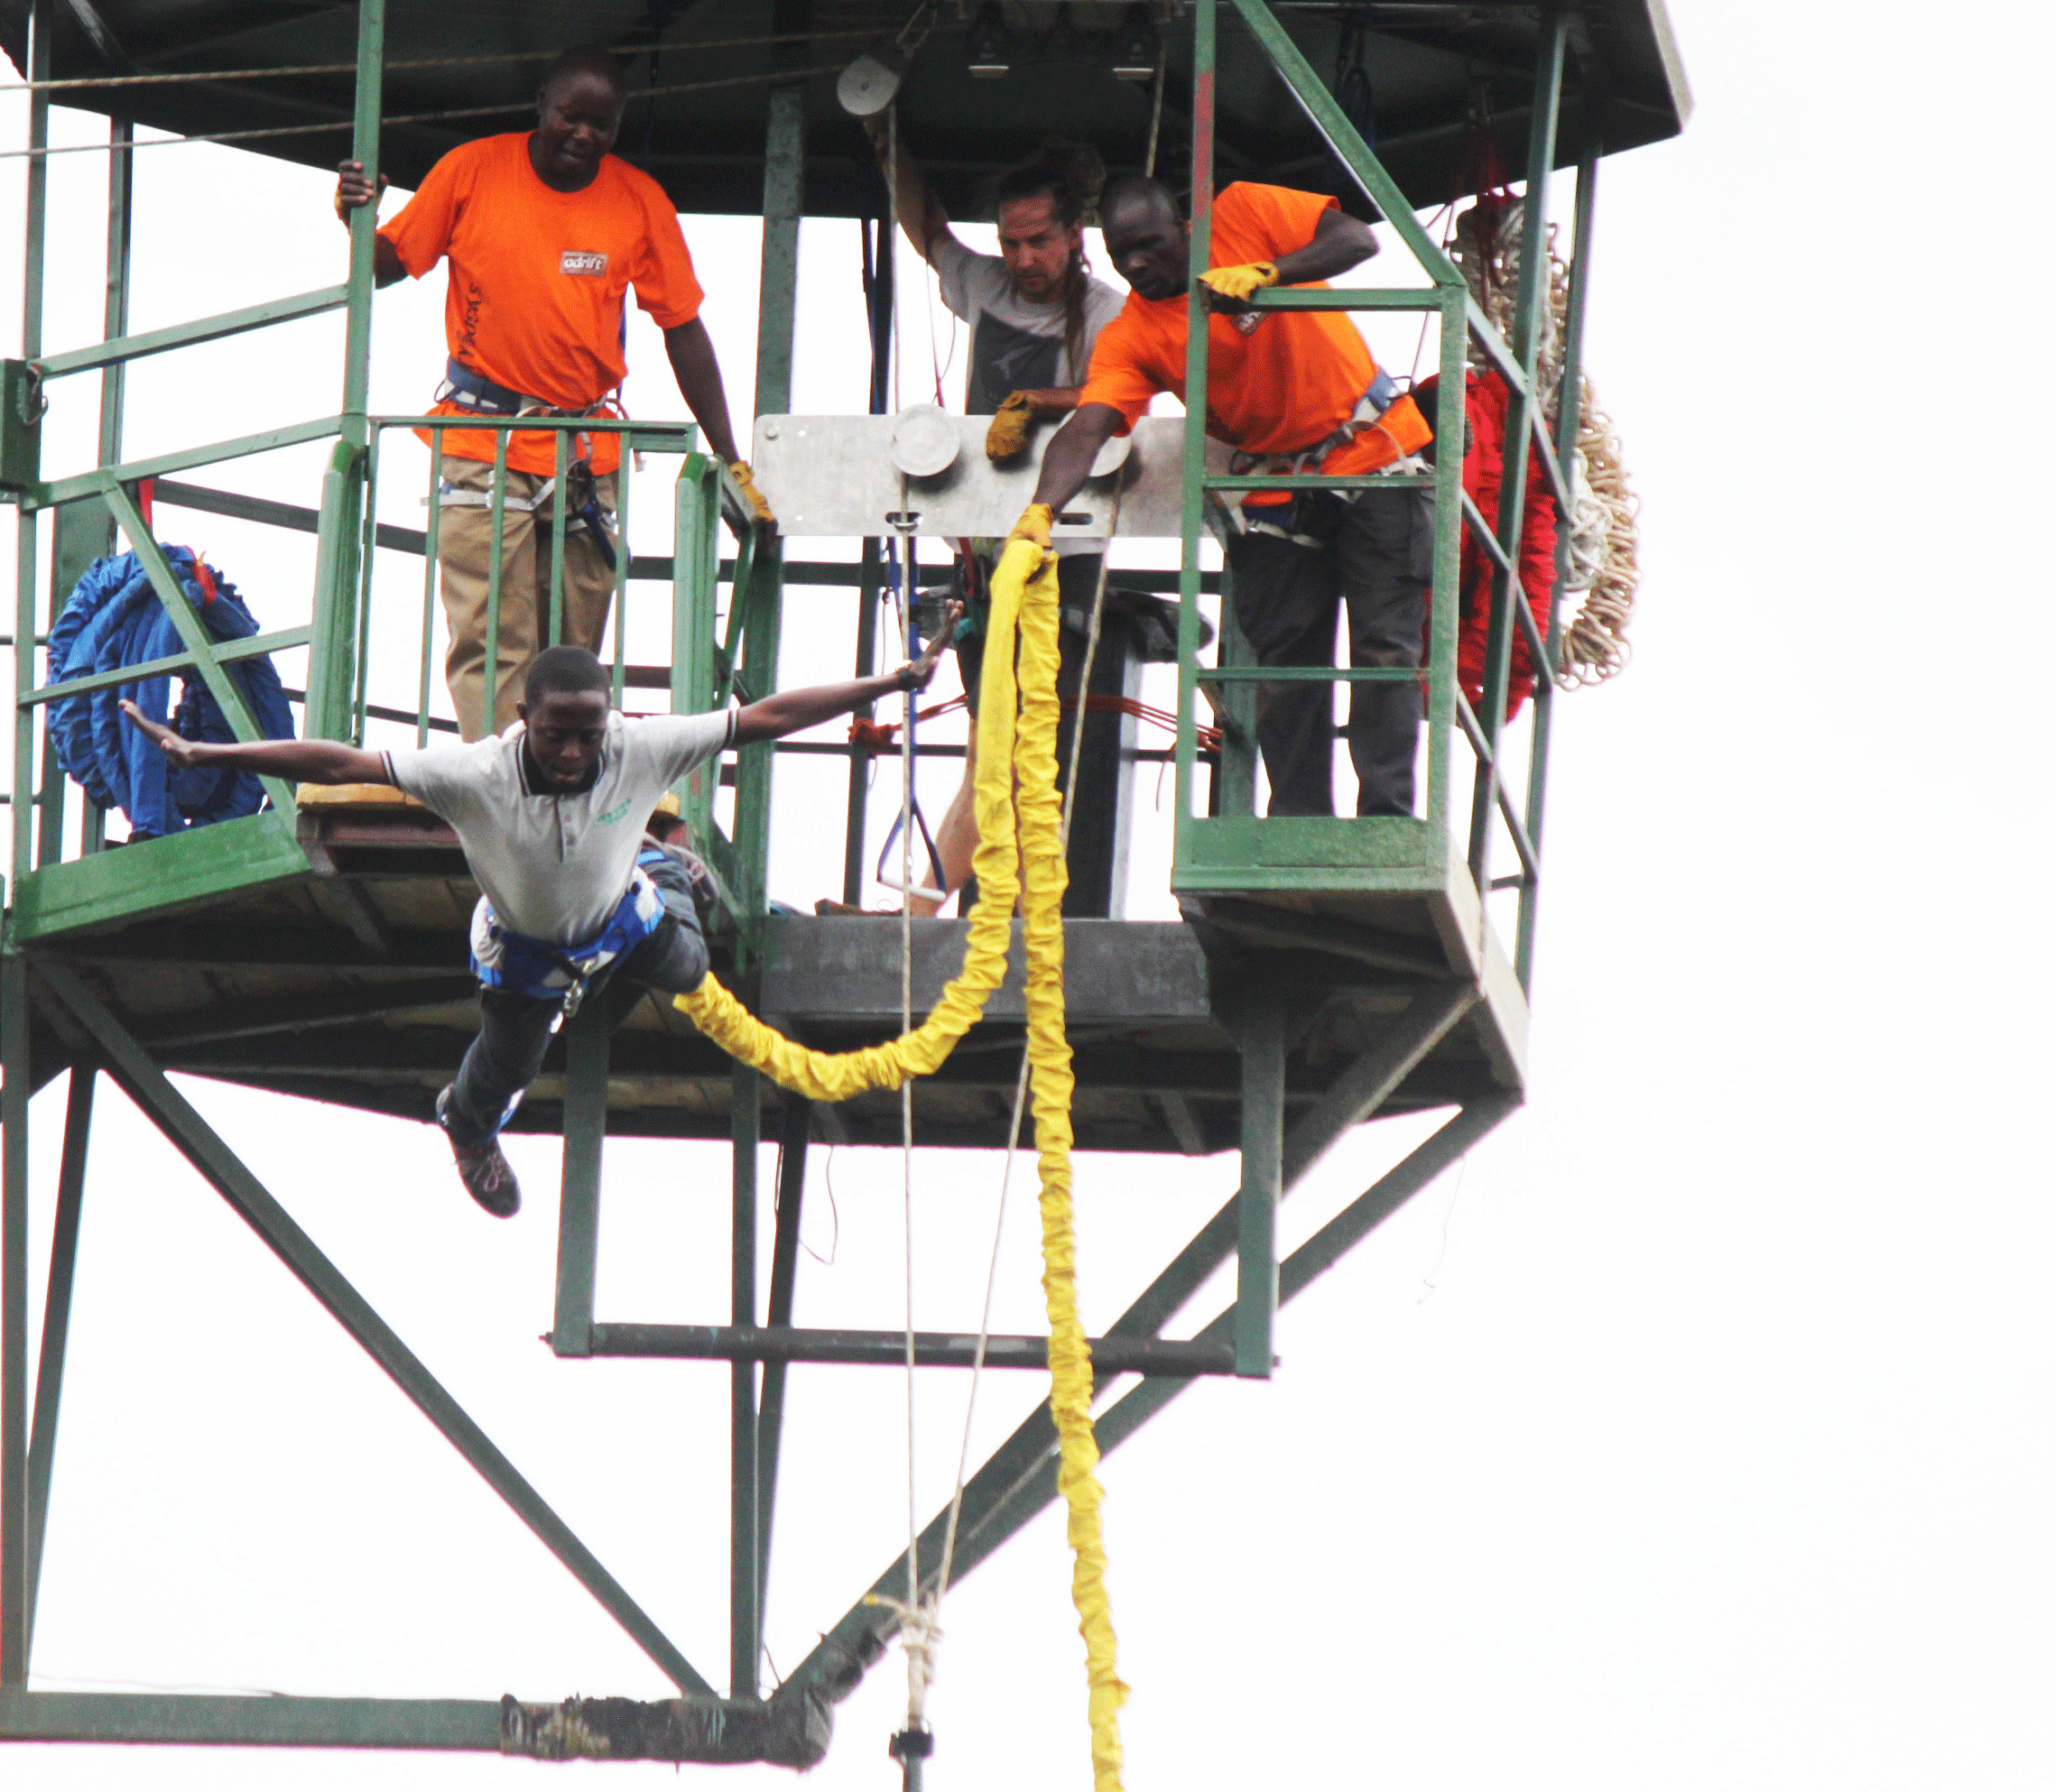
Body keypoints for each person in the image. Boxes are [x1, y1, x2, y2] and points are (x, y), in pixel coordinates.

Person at [119, 633, 950, 1218]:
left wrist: (887, 685)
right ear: (524, 714)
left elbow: (765, 718)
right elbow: (342, 763)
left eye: (588, 735)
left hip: (627, 919)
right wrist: (211, 756)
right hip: (527, 952)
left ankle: (668, 863)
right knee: (505, 1067)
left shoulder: (635, 748)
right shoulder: (475, 776)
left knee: (690, 968)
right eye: (557, 735)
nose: (572, 754)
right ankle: (468, 1130)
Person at [335, 47, 759, 742]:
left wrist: (729, 456)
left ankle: (563, 776)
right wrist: (357, 216)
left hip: (585, 451)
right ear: (542, 104)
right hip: (481, 436)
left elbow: (682, 329)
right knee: (491, 635)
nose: (585, 136)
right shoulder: (473, 170)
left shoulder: (637, 201)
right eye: (572, 117)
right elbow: (384, 266)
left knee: (570, 654)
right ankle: (501, 777)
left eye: (604, 125)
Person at [1028, 174, 1433, 817]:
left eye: (1150, 245)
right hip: (1275, 489)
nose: (1137, 265)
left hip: (1374, 455)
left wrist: (1271, 272)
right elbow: (1088, 428)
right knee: (1285, 661)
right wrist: (1038, 515)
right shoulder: (1132, 335)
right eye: (1120, 256)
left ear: (1185, 227)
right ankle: (1300, 825)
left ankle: (1386, 820)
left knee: (1385, 651)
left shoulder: (1246, 211)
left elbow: (1355, 239)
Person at [858, 124, 1136, 915]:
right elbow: (927, 231)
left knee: (1011, 745)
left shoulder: (1112, 316)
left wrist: (1039, 401)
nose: (1023, 260)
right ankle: (931, 909)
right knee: (1000, 742)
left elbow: (1123, 394)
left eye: (1039, 242)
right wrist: (888, 142)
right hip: (979, 546)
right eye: (1011, 243)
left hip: (1061, 547)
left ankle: (920, 912)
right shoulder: (984, 286)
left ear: (1073, 235)